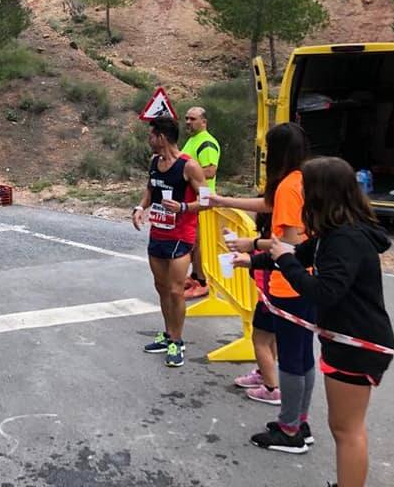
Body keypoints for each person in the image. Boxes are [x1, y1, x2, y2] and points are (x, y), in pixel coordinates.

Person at [233, 157, 393, 487]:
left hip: (356, 345)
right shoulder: (332, 234)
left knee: (347, 430)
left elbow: (322, 291)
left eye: (306, 188)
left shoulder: (345, 240)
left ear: (323, 193)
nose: (301, 194)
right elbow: (297, 254)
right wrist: (250, 259)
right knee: (344, 427)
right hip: (343, 340)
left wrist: (287, 262)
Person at [211, 122, 315, 453]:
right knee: (302, 358)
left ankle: (290, 431)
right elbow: (269, 207)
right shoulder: (303, 180)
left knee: (293, 362)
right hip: (307, 281)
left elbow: (289, 242)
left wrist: (250, 244)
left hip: (289, 284)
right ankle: (299, 422)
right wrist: (223, 200)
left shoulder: (288, 187)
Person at [132, 116, 208, 368]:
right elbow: (150, 190)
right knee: (162, 287)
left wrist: (184, 206)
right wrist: (139, 208)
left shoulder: (189, 166)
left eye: (151, 135)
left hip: (180, 236)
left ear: (162, 137)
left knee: (177, 290)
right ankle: (167, 335)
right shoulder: (155, 161)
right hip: (158, 234)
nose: (149, 140)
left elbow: (208, 200)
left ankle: (178, 341)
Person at [180, 106, 220, 299]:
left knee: (200, 243)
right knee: (194, 242)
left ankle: (202, 282)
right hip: (193, 198)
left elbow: (210, 170)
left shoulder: (207, 143)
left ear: (204, 121)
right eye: (187, 118)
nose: (188, 122)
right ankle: (195, 275)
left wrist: (183, 175)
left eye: (193, 119)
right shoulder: (192, 140)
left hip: (202, 199)